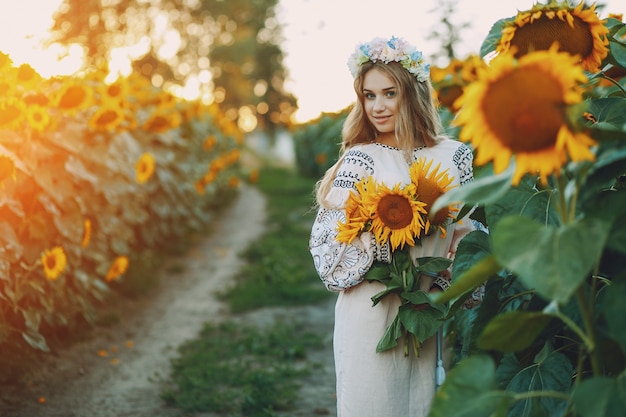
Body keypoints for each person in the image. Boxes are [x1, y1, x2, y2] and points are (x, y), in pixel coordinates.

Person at [308, 36, 478, 417]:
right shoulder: (361, 160)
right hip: (371, 317)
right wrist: (389, 241)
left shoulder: (455, 156)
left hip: (429, 315)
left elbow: (467, 238)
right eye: (369, 96)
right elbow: (327, 252)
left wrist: (444, 277)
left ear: (413, 93)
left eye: (389, 93)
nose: (378, 107)